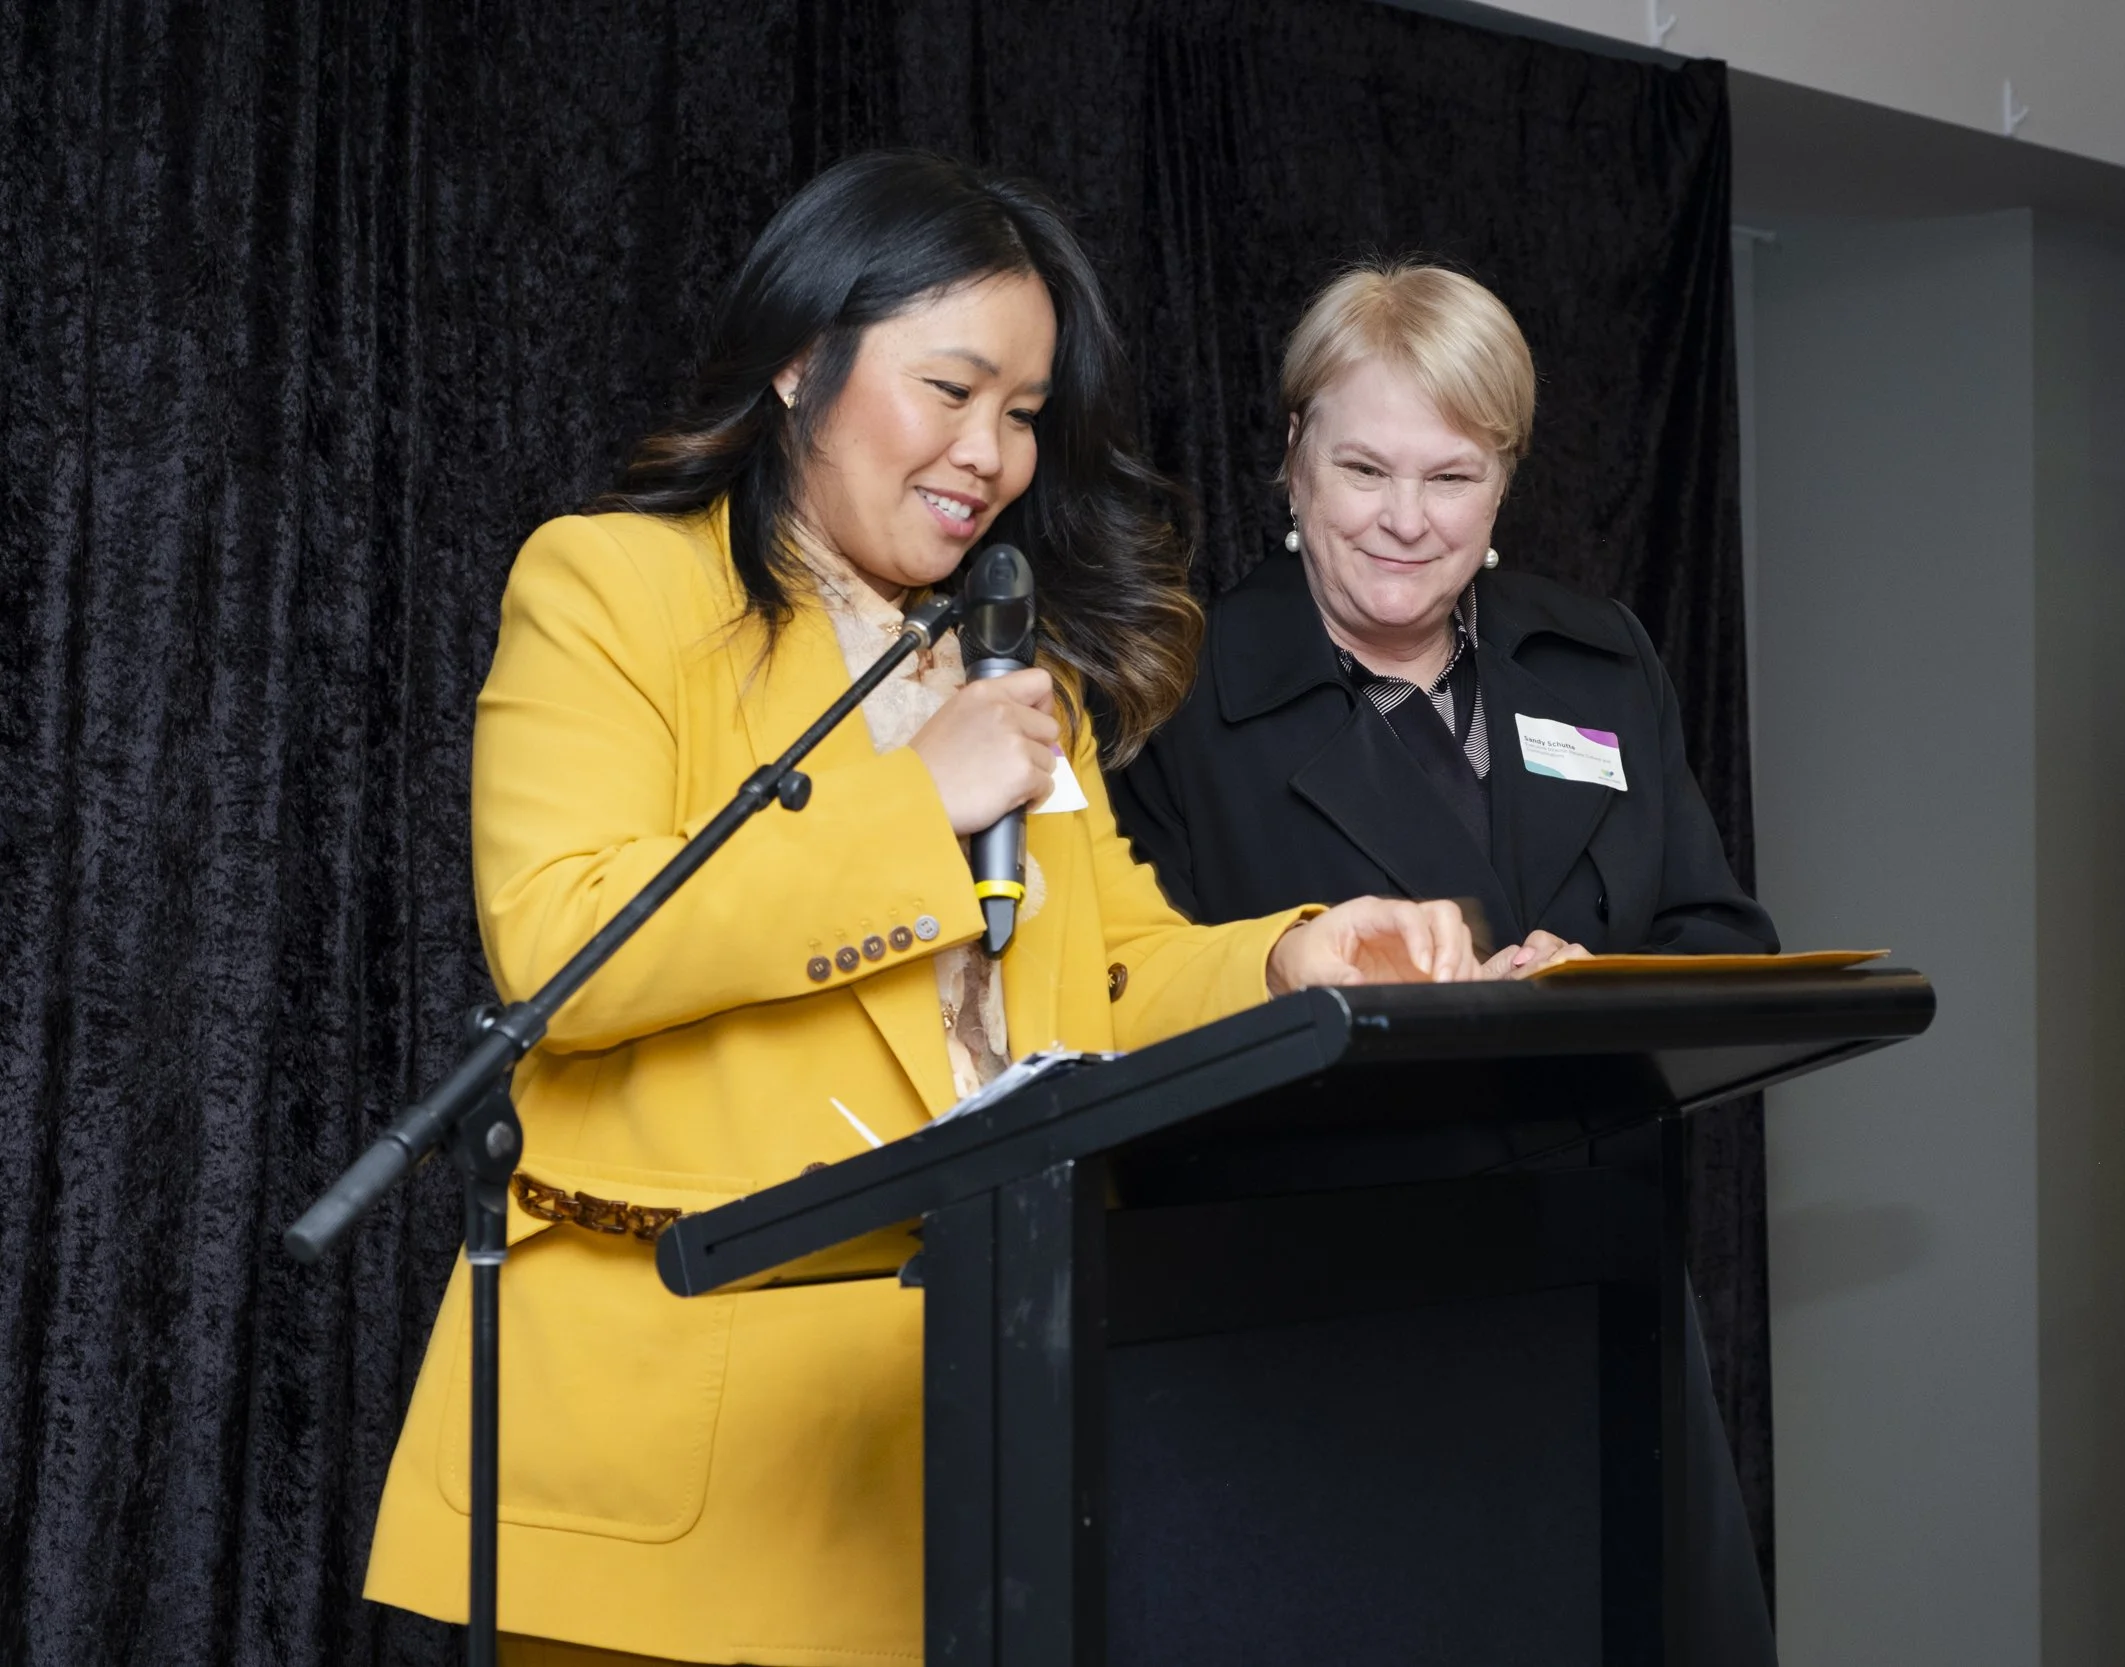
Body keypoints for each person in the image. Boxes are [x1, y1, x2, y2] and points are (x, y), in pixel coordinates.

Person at [362, 154, 1477, 1667]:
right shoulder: (610, 588)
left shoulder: (1019, 676)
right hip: (680, 1488)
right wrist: (914, 801)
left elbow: (1106, 986)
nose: (992, 453)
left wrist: (1292, 956)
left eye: (1022, 412)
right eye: (951, 390)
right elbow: (564, 944)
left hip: (980, 1452)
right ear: (801, 358)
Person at [1106, 260, 1784, 1662]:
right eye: (1362, 467)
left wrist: (1587, 979)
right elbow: (1117, 1010)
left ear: (1507, 480)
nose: (1407, 520)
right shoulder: (1171, 692)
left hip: (1600, 1302)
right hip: (1308, 1346)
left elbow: (1723, 937)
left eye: (1453, 475)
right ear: (1289, 458)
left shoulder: (1601, 665)